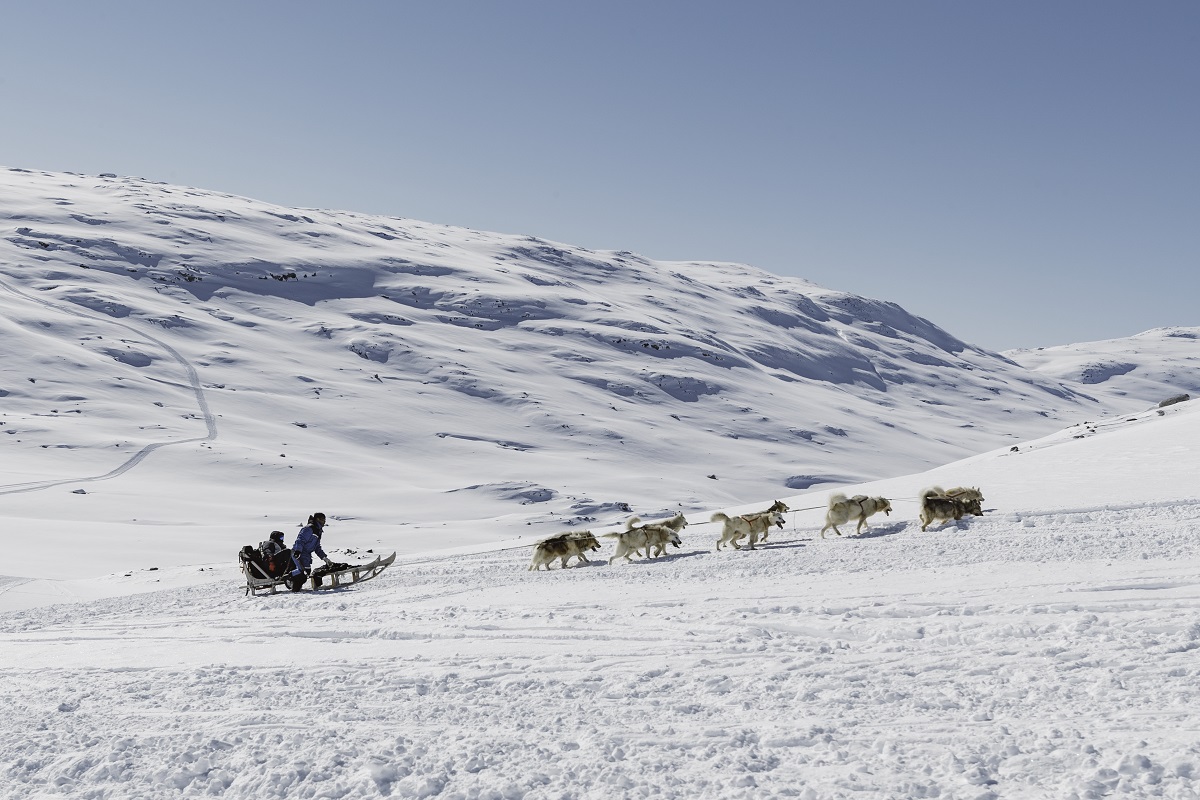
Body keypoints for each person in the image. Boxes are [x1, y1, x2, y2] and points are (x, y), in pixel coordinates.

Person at [289, 512, 331, 589]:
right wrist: (298, 551)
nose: (324, 522)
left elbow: (317, 547)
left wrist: (324, 558)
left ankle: (295, 587)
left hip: (306, 554)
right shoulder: (309, 529)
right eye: (323, 520)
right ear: (317, 519)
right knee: (301, 572)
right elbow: (300, 540)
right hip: (298, 552)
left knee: (307, 572)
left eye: (325, 520)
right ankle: (288, 578)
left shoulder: (318, 531)